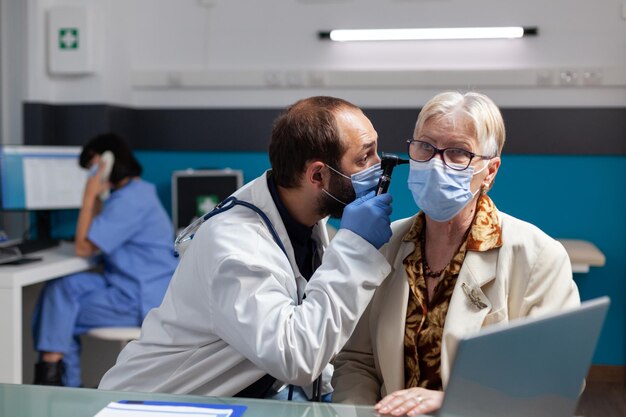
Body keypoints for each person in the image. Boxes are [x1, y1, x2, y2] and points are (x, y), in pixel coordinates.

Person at [98, 96, 394, 401]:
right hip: (155, 403)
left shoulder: (300, 217)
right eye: (364, 157)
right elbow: (296, 357)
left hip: (229, 396)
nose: (379, 166)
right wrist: (355, 250)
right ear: (317, 175)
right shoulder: (236, 247)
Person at [331, 91, 581, 416]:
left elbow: (556, 380)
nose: (436, 163)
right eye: (425, 146)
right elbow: (357, 362)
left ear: (490, 171)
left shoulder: (538, 256)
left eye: (458, 152)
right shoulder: (385, 245)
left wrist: (456, 403)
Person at [32, 133, 178, 387]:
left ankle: (59, 384)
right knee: (60, 288)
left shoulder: (131, 201)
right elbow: (93, 236)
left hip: (140, 298)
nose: (91, 176)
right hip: (125, 285)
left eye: (92, 169)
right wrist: (99, 196)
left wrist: (88, 195)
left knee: (59, 314)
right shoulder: (133, 193)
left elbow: (83, 247)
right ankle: (56, 372)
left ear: (109, 162)